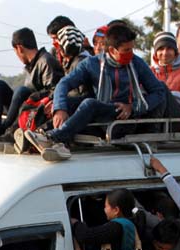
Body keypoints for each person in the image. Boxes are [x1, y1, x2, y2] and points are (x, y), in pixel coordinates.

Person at [25, 24, 166, 162]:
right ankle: (45, 138)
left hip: (122, 119)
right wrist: (60, 108)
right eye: (126, 50)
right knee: (63, 102)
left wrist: (133, 107)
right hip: (99, 115)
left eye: (131, 49)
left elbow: (158, 92)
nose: (130, 54)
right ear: (112, 50)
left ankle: (54, 137)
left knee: (89, 104)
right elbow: (64, 83)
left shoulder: (136, 64)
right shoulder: (92, 63)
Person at [0, 28, 63, 152]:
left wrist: (34, 96)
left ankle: (7, 132)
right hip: (23, 110)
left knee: (22, 91)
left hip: (36, 111)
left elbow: (56, 91)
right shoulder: (31, 65)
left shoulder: (46, 61)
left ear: (19, 48)